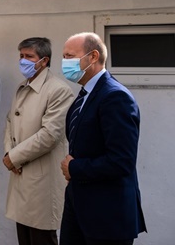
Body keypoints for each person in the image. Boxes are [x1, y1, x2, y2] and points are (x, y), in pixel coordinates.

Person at [59, 32, 146, 245]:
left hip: (107, 216)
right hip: (79, 207)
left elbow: (121, 161)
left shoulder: (115, 97)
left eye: (70, 56)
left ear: (93, 56)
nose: (64, 63)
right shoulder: (85, 95)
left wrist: (75, 168)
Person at [2, 37, 74, 245]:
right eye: (21, 56)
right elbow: (9, 122)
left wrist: (14, 157)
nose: (23, 61)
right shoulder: (22, 86)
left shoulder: (58, 90)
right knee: (24, 236)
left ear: (44, 61)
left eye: (29, 56)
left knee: (42, 237)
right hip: (20, 174)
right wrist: (9, 155)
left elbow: (50, 135)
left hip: (41, 178)